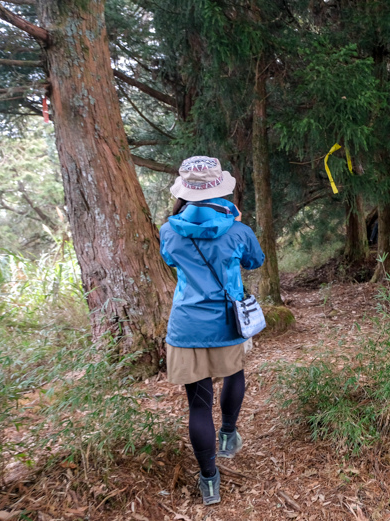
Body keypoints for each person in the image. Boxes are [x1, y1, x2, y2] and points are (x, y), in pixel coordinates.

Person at [159, 156, 265, 506]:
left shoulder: (169, 230)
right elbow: (255, 260)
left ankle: (209, 481)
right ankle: (229, 435)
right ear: (219, 189)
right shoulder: (237, 229)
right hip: (227, 320)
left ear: (185, 192)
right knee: (235, 372)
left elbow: (172, 261)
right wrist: (235, 228)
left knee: (197, 405)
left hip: (186, 325)